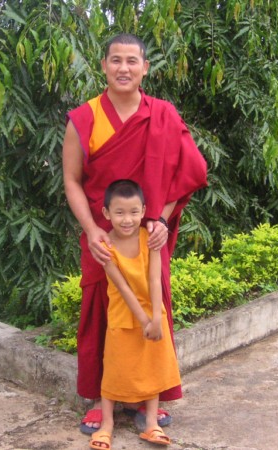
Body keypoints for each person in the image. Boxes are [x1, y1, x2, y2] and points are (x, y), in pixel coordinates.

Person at [62, 33, 207, 434]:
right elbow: (72, 180)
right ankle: (98, 398)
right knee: (101, 316)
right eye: (115, 60)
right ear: (104, 66)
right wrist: (91, 230)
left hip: (148, 239)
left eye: (132, 61)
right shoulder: (84, 118)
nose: (123, 68)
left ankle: (149, 398)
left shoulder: (162, 114)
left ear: (145, 68)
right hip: (104, 237)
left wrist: (160, 218)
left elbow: (189, 171)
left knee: (152, 310)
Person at [88, 179, 180, 450]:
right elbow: (122, 287)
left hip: (153, 313)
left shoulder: (149, 238)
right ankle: (107, 426)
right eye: (119, 213)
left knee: (151, 368)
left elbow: (154, 279)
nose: (126, 220)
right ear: (106, 214)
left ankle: (151, 424)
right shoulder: (106, 246)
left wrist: (155, 319)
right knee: (114, 371)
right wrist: (143, 321)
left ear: (143, 211)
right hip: (123, 316)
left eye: (133, 212)